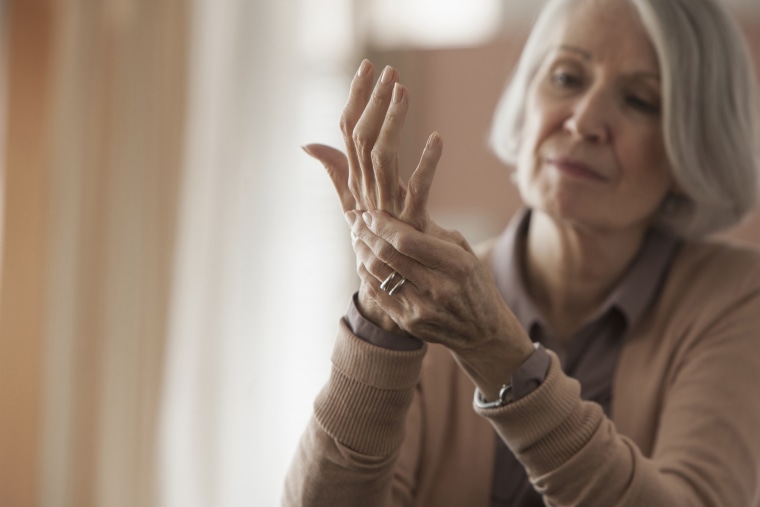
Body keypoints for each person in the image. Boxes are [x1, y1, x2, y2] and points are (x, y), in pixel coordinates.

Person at [284, 0, 760, 505]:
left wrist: (499, 353)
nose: (584, 120)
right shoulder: (427, 297)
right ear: (527, 99)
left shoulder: (736, 295)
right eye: (566, 77)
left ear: (693, 149)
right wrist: (379, 325)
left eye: (640, 101)